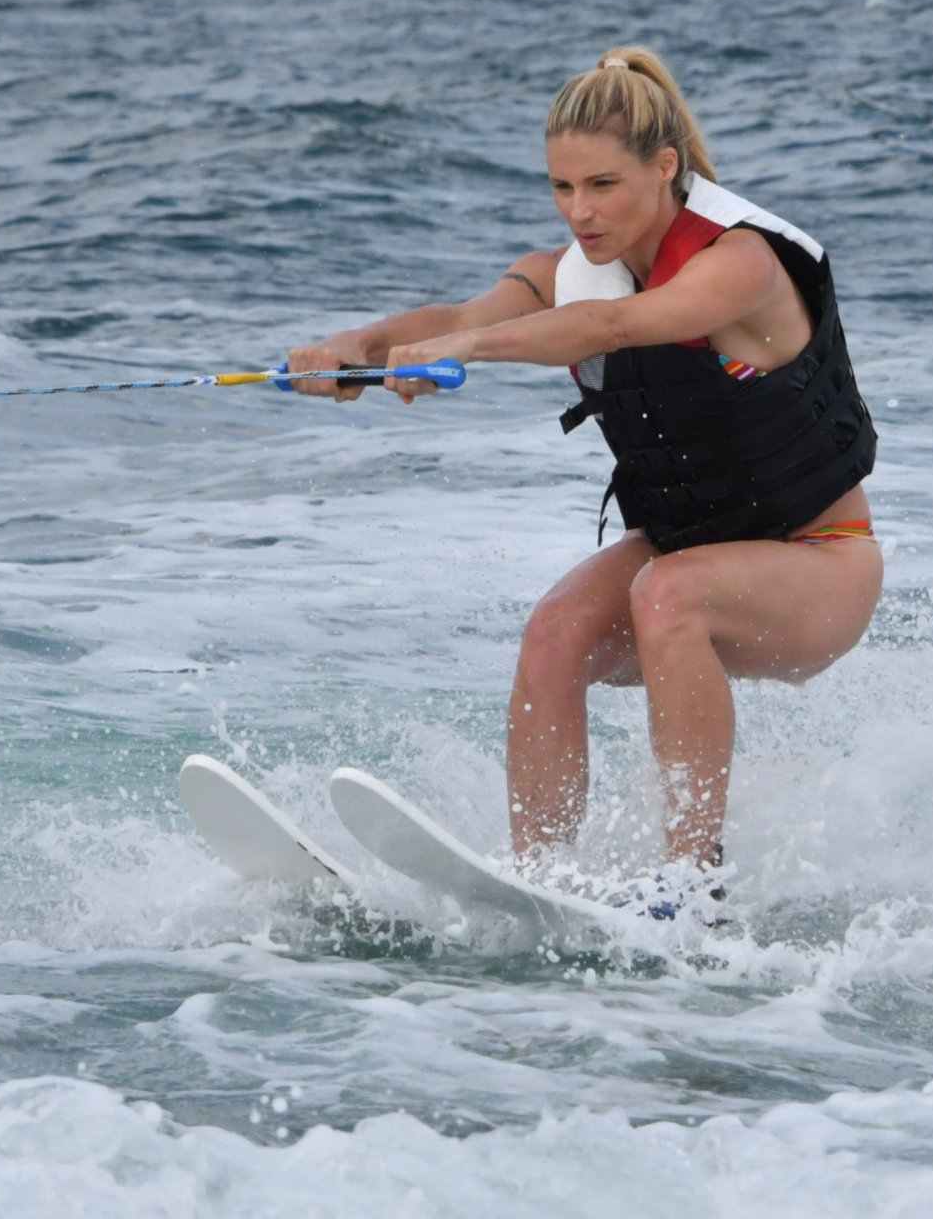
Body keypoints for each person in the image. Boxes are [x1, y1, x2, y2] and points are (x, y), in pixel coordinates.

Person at [287, 46, 880, 903]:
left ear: (665, 167)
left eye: (603, 185)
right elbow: (461, 314)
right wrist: (357, 350)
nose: (580, 211)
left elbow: (613, 326)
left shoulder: (741, 262)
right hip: (689, 551)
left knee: (666, 594)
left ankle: (691, 888)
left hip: (819, 561)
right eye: (563, 187)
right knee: (557, 628)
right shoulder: (563, 274)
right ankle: (540, 881)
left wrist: (464, 349)